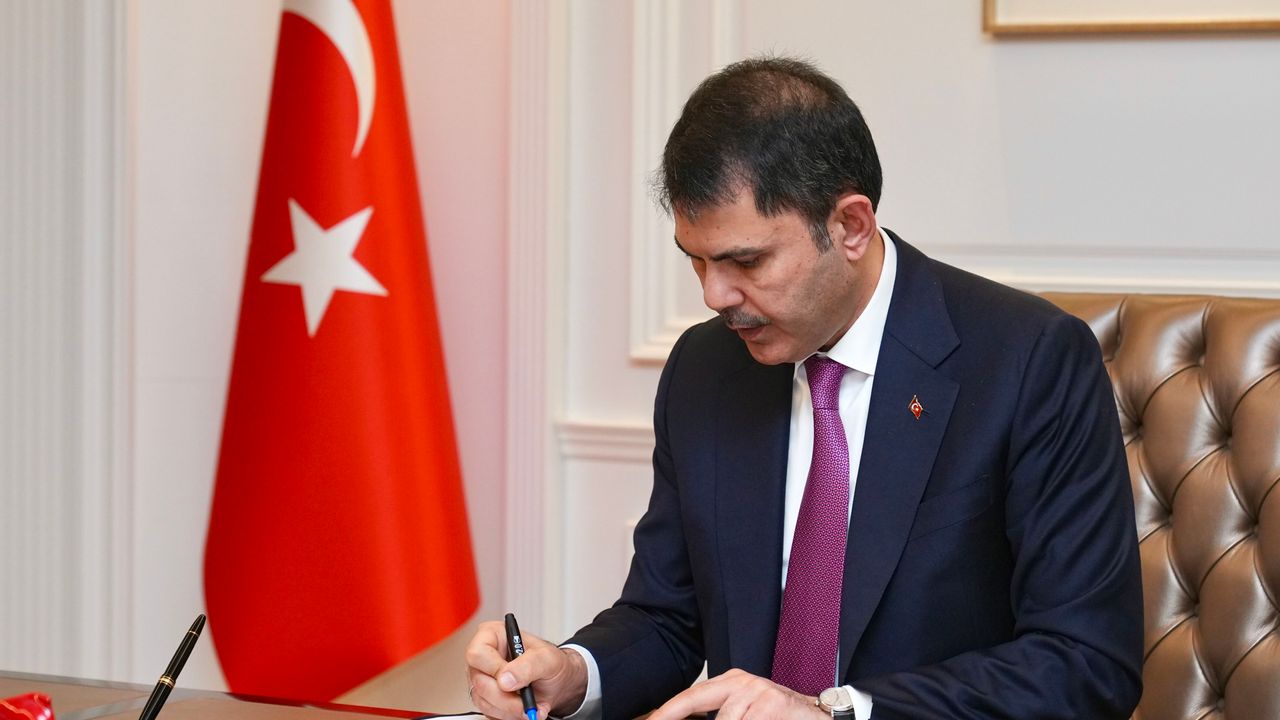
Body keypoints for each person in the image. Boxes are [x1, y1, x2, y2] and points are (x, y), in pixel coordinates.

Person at [466, 56, 1143, 720]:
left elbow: (1083, 662)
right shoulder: (706, 369)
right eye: (697, 261)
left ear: (850, 226)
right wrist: (576, 674)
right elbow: (668, 617)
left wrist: (840, 713)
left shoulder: (1027, 362)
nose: (714, 296)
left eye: (746, 261)